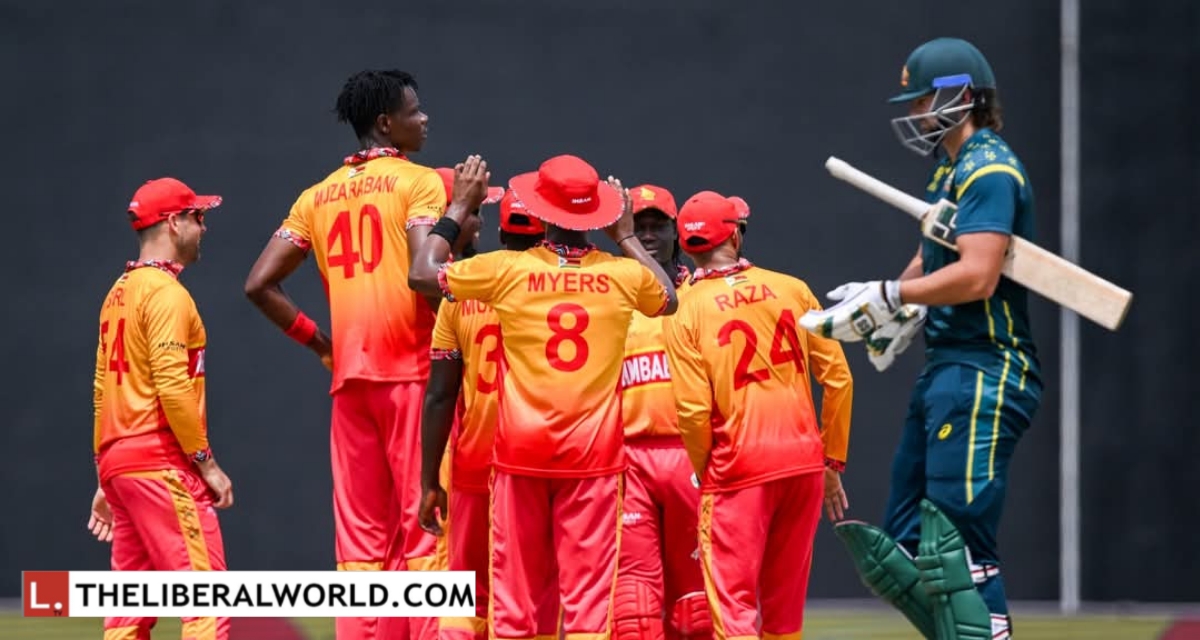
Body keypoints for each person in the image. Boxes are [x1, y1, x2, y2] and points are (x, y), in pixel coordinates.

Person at [799, 37, 1042, 640]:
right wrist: (897, 303)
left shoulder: (990, 169)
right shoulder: (949, 170)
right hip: (947, 362)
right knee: (905, 546)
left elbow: (979, 274)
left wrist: (892, 295)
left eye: (922, 100)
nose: (914, 113)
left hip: (987, 366)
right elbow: (931, 254)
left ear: (960, 95)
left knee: (955, 542)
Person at [409, 154, 678, 640]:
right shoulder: (622, 276)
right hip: (593, 461)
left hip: (519, 456)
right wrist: (625, 236)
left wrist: (460, 206)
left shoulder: (506, 270)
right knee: (588, 608)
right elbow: (669, 298)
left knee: (514, 604)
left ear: (542, 212)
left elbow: (422, 273)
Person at [243, 69, 472, 640]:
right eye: (415, 111)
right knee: (427, 531)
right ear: (386, 123)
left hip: (351, 385)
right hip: (415, 379)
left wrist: (321, 344)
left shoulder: (315, 196)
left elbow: (259, 285)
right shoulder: (419, 183)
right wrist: (460, 211)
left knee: (362, 548)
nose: (425, 119)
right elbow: (424, 276)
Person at [664, 191, 854, 640]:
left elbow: (692, 409)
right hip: (803, 465)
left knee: (733, 610)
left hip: (737, 469)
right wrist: (831, 461)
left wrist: (706, 470)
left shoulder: (683, 308)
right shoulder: (792, 289)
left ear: (686, 245)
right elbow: (839, 379)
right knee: (784, 612)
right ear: (735, 235)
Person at [90, 177, 233, 640]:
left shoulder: (118, 291)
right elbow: (172, 386)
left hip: (121, 463)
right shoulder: (167, 293)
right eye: (198, 216)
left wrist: (106, 475)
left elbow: (102, 388)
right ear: (174, 223)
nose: (203, 227)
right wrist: (206, 463)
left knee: (128, 613)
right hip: (160, 462)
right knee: (206, 601)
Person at [417, 188, 560, 640]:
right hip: (537, 465)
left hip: (475, 464)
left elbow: (440, 396)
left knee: (467, 595)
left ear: (500, 233)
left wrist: (429, 480)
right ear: (546, 234)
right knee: (537, 593)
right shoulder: (561, 293)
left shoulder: (461, 293)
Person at [612, 184, 708, 640]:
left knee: (697, 609)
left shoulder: (701, 294)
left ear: (677, 233)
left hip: (691, 454)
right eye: (639, 227)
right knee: (633, 608)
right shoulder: (608, 294)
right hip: (627, 458)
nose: (648, 235)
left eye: (657, 226)